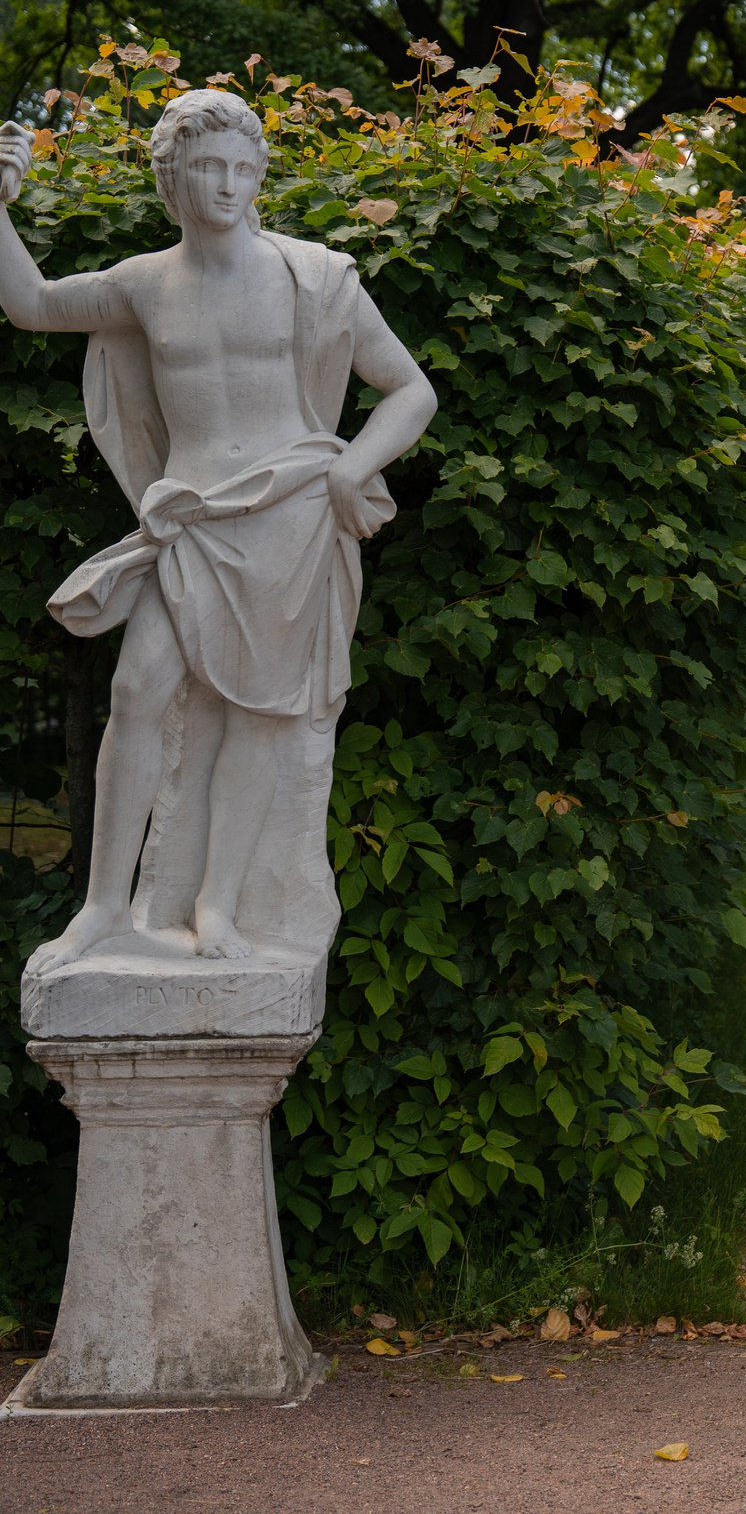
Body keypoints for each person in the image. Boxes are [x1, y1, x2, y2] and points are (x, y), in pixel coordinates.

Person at [0, 95, 436, 973]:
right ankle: (104, 907)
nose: (229, 185)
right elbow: (33, 304)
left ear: (260, 175)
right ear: (172, 179)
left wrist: (351, 468)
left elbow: (412, 389)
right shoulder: (145, 283)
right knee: (136, 689)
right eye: (208, 167)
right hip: (193, 521)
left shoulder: (314, 277)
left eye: (243, 168)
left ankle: (217, 907)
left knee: (259, 716)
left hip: (289, 517)